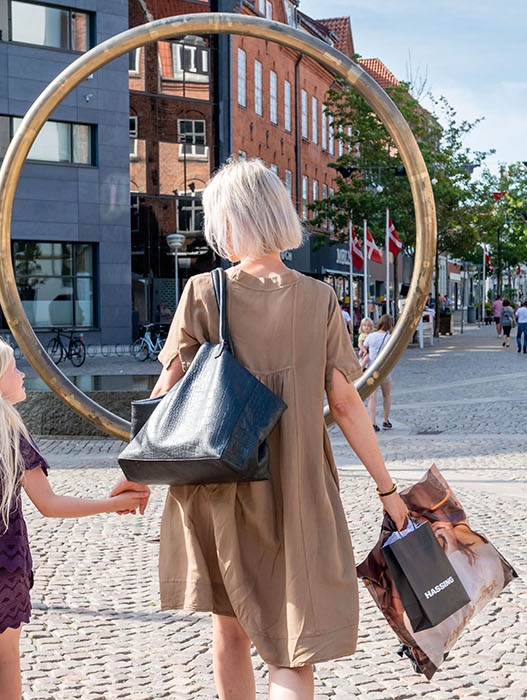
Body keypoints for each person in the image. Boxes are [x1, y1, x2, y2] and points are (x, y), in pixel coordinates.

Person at [109, 158, 409, 700]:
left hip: (218, 483)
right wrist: (387, 491)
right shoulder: (319, 298)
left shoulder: (202, 291)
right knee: (293, 646)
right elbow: (344, 404)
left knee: (230, 629)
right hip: (298, 487)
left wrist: (135, 476)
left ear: (224, 220)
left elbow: (166, 395)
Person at [0, 336, 144, 700]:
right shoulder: (11, 436)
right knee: (7, 663)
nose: (22, 374)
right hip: (4, 572)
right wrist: (112, 504)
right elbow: (49, 504)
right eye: (13, 368)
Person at [363, 314, 395, 430]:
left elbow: (363, 350)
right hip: (384, 369)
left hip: (371, 369)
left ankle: (373, 423)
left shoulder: (371, 336)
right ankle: (386, 420)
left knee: (372, 397)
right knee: (386, 395)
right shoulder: (390, 338)